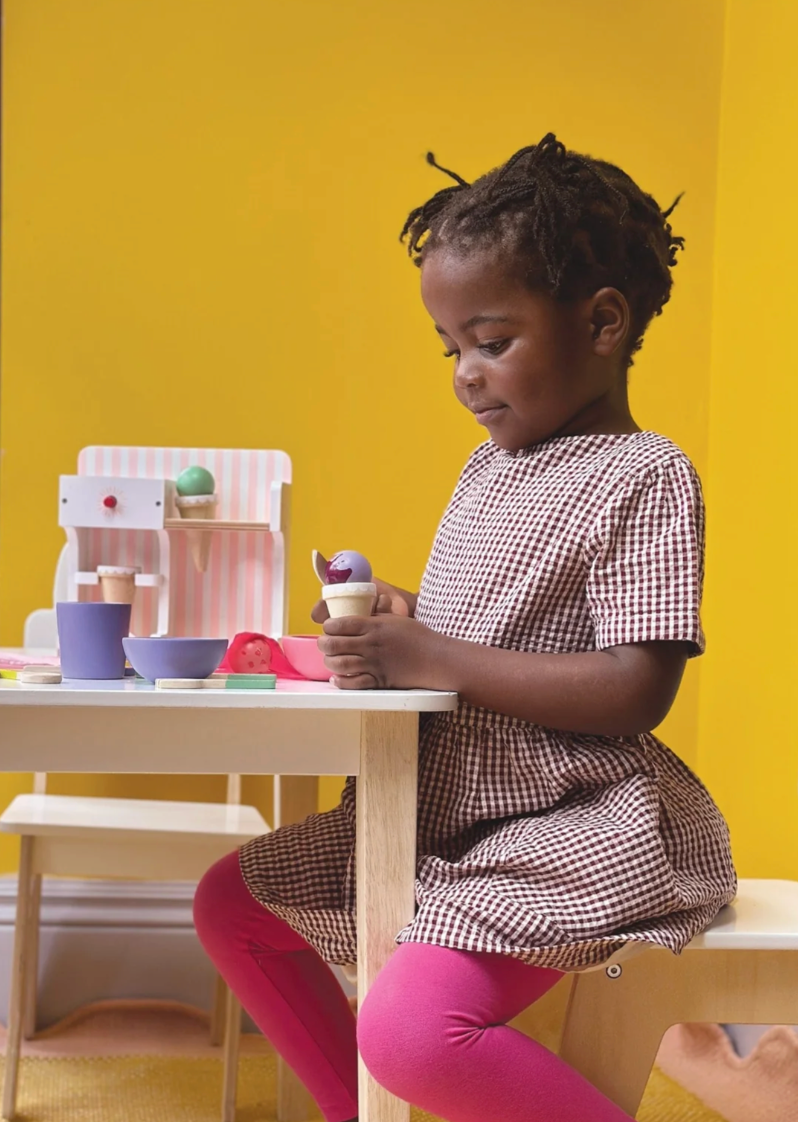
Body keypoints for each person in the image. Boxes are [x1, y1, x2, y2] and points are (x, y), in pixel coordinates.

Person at [194, 132, 736, 1122]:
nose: (465, 374)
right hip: (438, 807)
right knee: (232, 903)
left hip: (559, 824)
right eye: (451, 349)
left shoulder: (644, 475)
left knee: (410, 1031)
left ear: (603, 323)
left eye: (491, 341)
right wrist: (406, 615)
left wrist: (430, 653)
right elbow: (490, 631)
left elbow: (634, 688)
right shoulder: (488, 471)